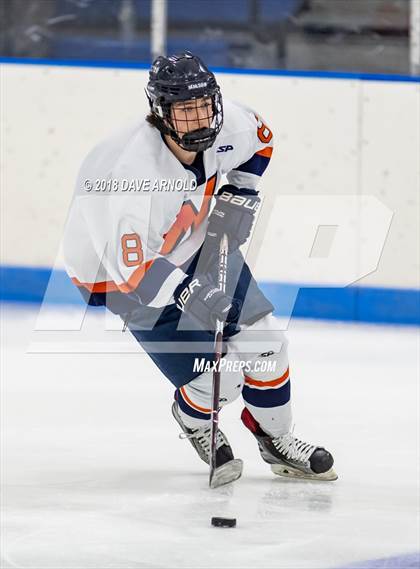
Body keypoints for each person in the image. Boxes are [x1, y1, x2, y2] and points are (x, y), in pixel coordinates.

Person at [63, 51, 337, 486]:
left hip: (189, 243)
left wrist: (241, 193)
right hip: (115, 272)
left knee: (266, 343)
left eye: (205, 105)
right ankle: (193, 420)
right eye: (185, 110)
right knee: (221, 379)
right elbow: (133, 274)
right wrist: (193, 293)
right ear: (160, 114)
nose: (199, 119)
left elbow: (261, 139)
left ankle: (276, 438)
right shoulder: (131, 176)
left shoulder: (230, 127)